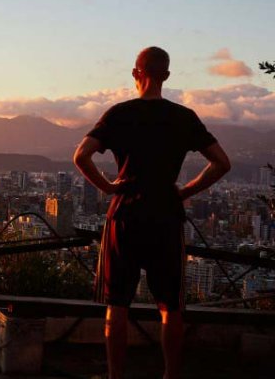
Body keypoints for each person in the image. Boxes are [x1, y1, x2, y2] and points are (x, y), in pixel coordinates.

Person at [73, 46, 231, 379]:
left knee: (117, 306)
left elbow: (81, 156)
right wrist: (185, 191)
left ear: (136, 74)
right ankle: (170, 375)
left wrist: (108, 186)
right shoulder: (183, 117)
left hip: (125, 215)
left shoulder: (118, 113)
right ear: (167, 76)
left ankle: (117, 375)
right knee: (170, 308)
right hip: (166, 215)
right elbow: (221, 162)